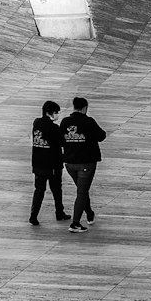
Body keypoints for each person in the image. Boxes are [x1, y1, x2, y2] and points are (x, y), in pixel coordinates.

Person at [60, 95, 107, 231]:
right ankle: (75, 223)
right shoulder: (88, 121)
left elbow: (60, 140)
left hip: (69, 163)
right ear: (85, 108)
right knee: (82, 192)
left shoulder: (64, 122)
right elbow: (101, 136)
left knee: (82, 190)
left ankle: (90, 214)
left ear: (74, 107)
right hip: (86, 163)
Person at [30, 100, 68, 225]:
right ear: (49, 113)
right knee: (57, 190)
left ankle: (33, 215)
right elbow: (61, 142)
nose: (57, 115)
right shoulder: (53, 128)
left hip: (38, 163)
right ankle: (59, 212)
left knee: (39, 190)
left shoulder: (37, 123)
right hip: (52, 164)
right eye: (55, 112)